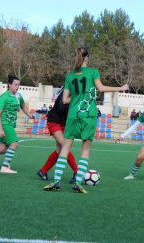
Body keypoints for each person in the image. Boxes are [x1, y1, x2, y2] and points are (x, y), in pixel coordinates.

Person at [43, 47, 128, 193]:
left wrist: (77, 97)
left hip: (73, 114)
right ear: (87, 57)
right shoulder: (93, 72)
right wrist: (121, 87)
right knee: (85, 149)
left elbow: (64, 99)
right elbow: (100, 88)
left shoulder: (70, 75)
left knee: (65, 147)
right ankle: (77, 183)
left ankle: (56, 181)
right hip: (88, 115)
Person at [0, 75, 34, 173]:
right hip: (3, 123)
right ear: (9, 84)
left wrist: (29, 115)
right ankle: (5, 167)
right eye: (15, 85)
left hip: (10, 124)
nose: (17, 87)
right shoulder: (3, 97)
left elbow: (23, 106)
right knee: (14, 143)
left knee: (2, 149)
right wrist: (0, 129)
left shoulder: (18, 96)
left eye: (18, 85)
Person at [37, 87, 78, 182]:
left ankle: (43, 171)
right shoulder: (67, 92)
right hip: (54, 121)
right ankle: (77, 172)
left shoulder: (77, 94)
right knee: (65, 146)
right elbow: (61, 107)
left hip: (64, 124)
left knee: (59, 150)